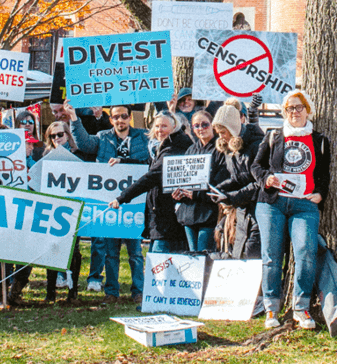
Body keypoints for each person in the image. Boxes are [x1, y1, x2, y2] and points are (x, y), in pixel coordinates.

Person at [251, 89, 331, 331]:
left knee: (306, 253)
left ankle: (301, 307)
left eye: (298, 107)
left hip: (305, 204)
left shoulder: (320, 140)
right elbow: (255, 165)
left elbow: (325, 173)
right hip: (272, 203)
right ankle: (271, 308)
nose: (294, 112)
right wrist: (266, 178)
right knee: (272, 256)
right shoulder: (274, 135)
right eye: (289, 108)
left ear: (307, 109)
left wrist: (321, 194)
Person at [68, 104, 147, 302]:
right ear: (110, 119)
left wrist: (124, 162)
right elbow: (84, 143)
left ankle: (138, 291)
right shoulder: (103, 137)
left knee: (135, 253)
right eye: (115, 117)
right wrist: (73, 118)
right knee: (111, 253)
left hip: (134, 204)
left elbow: (147, 162)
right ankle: (111, 292)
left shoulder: (143, 138)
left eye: (123, 116)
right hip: (109, 202)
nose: (120, 120)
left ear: (130, 118)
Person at [108, 112, 193, 254]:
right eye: (157, 126)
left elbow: (151, 176)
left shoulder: (173, 151)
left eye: (164, 126)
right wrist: (123, 161)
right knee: (154, 265)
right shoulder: (162, 148)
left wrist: (122, 197)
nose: (160, 130)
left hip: (168, 221)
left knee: (158, 267)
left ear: (174, 127)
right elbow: (150, 165)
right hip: (160, 220)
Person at [207, 105, 263, 260]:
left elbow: (259, 183)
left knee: (252, 253)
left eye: (223, 132)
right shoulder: (231, 149)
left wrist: (231, 197)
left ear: (232, 129)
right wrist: (220, 189)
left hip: (260, 209)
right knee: (240, 253)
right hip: (244, 209)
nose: (221, 137)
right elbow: (237, 178)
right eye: (219, 133)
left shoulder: (256, 146)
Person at [171, 110, 228, 252]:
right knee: (193, 258)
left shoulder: (220, 149)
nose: (201, 128)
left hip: (209, 214)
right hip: (189, 214)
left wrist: (196, 194)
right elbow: (182, 178)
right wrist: (177, 192)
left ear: (212, 126)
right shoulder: (191, 149)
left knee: (204, 255)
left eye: (204, 124)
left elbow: (221, 182)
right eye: (196, 126)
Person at [40, 120, 83, 304]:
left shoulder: (78, 155)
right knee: (52, 248)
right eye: (53, 135)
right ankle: (50, 292)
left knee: (74, 251)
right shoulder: (45, 157)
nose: (57, 138)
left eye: (60, 134)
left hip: (73, 209)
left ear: (67, 135)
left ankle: (73, 291)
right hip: (51, 209)